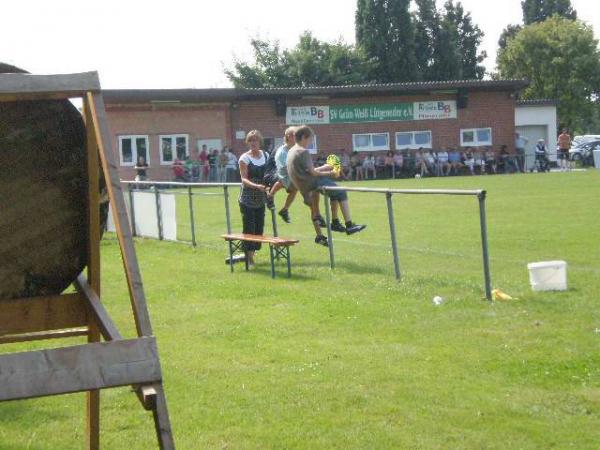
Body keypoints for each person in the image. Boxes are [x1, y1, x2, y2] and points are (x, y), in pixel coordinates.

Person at [287, 125, 366, 247]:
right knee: (341, 191)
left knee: (334, 194)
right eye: (310, 139)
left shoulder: (292, 151)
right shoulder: (303, 151)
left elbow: (308, 170)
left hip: (303, 185)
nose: (310, 142)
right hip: (312, 183)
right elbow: (313, 173)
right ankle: (349, 225)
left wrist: (326, 166)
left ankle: (335, 222)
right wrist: (331, 173)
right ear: (303, 137)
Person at [238, 130, 269, 267]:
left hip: (261, 198)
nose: (253, 143)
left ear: (260, 141)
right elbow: (244, 179)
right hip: (247, 199)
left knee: (259, 228)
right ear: (247, 142)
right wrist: (256, 186)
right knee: (249, 228)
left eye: (255, 140)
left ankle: (252, 253)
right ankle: (249, 259)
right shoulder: (244, 158)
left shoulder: (266, 155)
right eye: (250, 140)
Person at [267, 127, 299, 223]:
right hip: (273, 173)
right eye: (294, 135)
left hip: (286, 174)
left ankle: (284, 210)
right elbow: (284, 168)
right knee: (284, 181)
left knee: (294, 189)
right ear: (288, 137)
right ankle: (270, 196)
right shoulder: (282, 151)